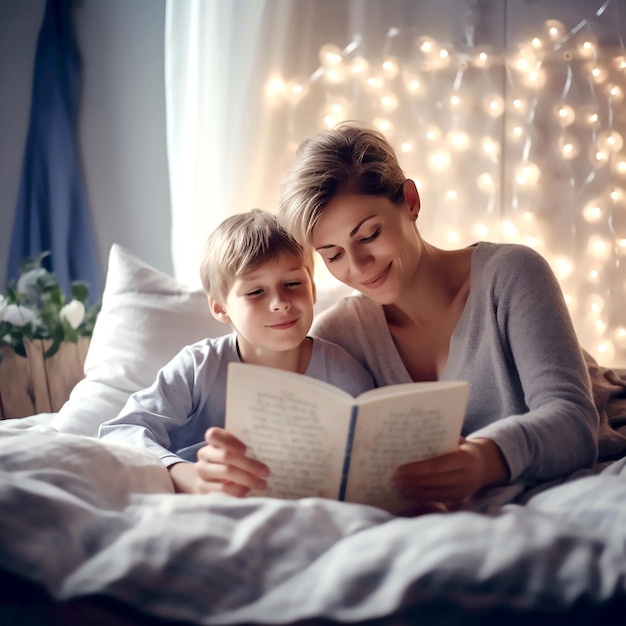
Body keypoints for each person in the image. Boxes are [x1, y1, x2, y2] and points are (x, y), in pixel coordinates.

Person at [278, 121, 600, 507]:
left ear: (410, 202)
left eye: (369, 236)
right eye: (332, 254)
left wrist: (486, 458)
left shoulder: (512, 274)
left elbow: (575, 420)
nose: (359, 266)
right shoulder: (340, 336)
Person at [98, 209, 374, 496]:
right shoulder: (199, 367)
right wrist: (189, 476)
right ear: (220, 307)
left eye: (293, 284)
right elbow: (121, 432)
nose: (280, 302)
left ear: (313, 290)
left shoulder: (343, 373)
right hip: (204, 503)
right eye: (256, 292)